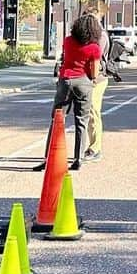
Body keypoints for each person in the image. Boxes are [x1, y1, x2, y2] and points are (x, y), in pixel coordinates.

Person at [34, 13, 102, 172]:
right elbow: (94, 71)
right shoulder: (94, 47)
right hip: (84, 82)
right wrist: (91, 79)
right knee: (81, 122)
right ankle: (78, 158)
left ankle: (48, 158)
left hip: (66, 80)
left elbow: (65, 59)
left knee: (57, 120)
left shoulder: (68, 41)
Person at [84, 8, 116, 162]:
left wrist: (93, 77)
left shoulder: (100, 36)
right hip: (86, 77)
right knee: (87, 113)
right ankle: (89, 146)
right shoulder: (88, 35)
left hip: (97, 78)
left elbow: (94, 58)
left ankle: (95, 149)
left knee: (93, 111)